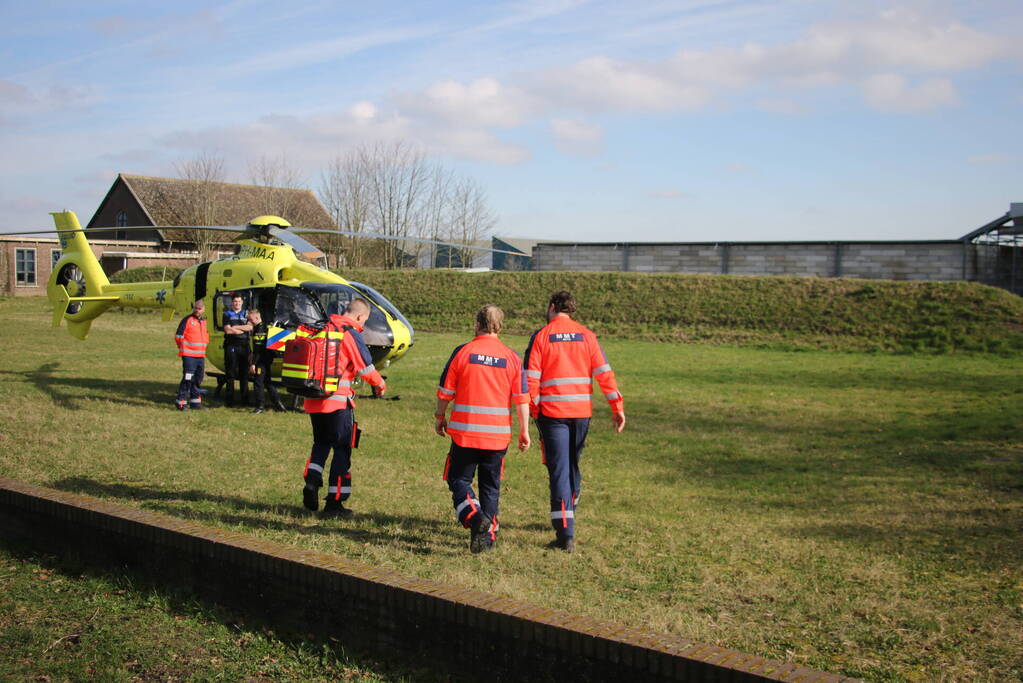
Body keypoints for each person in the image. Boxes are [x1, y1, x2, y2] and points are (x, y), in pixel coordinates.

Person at [524, 291, 626, 552]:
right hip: (581, 413)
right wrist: (617, 406)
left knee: (559, 470)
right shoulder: (587, 335)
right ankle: (569, 507)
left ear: (551, 307)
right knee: (571, 464)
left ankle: (564, 533)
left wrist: (533, 411)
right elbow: (604, 372)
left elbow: (531, 378)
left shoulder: (542, 335)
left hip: (553, 414)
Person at [435, 305, 531, 553]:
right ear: (500, 327)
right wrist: (524, 431)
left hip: (465, 434)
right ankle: (487, 538)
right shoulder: (512, 358)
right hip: (497, 438)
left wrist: (439, 416)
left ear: (477, 325)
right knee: (491, 486)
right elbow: (521, 398)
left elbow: (446, 390)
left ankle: (474, 517)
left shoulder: (463, 352)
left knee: (458, 479)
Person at [301, 298, 386, 518]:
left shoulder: (321, 328)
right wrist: (380, 386)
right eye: (364, 321)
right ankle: (334, 503)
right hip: (338, 401)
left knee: (320, 442)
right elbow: (365, 367)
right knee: (341, 448)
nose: (363, 325)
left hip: (313, 397)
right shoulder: (348, 333)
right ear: (359, 316)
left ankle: (312, 481)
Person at [247, 309, 287, 414]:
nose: (249, 322)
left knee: (258, 383)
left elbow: (259, 350)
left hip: (261, 361)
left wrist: (253, 364)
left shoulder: (260, 330)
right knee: (268, 382)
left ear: (256, 318)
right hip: (267, 359)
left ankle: (260, 406)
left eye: (250, 320)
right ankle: (278, 404)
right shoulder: (265, 327)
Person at [174, 299, 209, 410]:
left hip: (200, 356)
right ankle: (181, 402)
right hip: (189, 356)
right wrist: (184, 348)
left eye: (199, 308)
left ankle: (195, 402)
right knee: (188, 378)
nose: (197, 310)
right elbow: (178, 336)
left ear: (203, 309)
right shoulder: (187, 320)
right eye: (195, 308)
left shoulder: (203, 322)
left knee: (198, 378)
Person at [222, 293, 252, 407]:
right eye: (235, 301)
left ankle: (245, 400)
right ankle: (229, 401)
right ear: (232, 302)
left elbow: (249, 327)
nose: (237, 303)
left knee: (244, 374)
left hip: (244, 346)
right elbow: (227, 330)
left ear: (242, 302)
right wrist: (240, 330)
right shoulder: (227, 314)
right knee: (230, 374)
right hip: (231, 346)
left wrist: (235, 327)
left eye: (239, 301)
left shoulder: (246, 313)